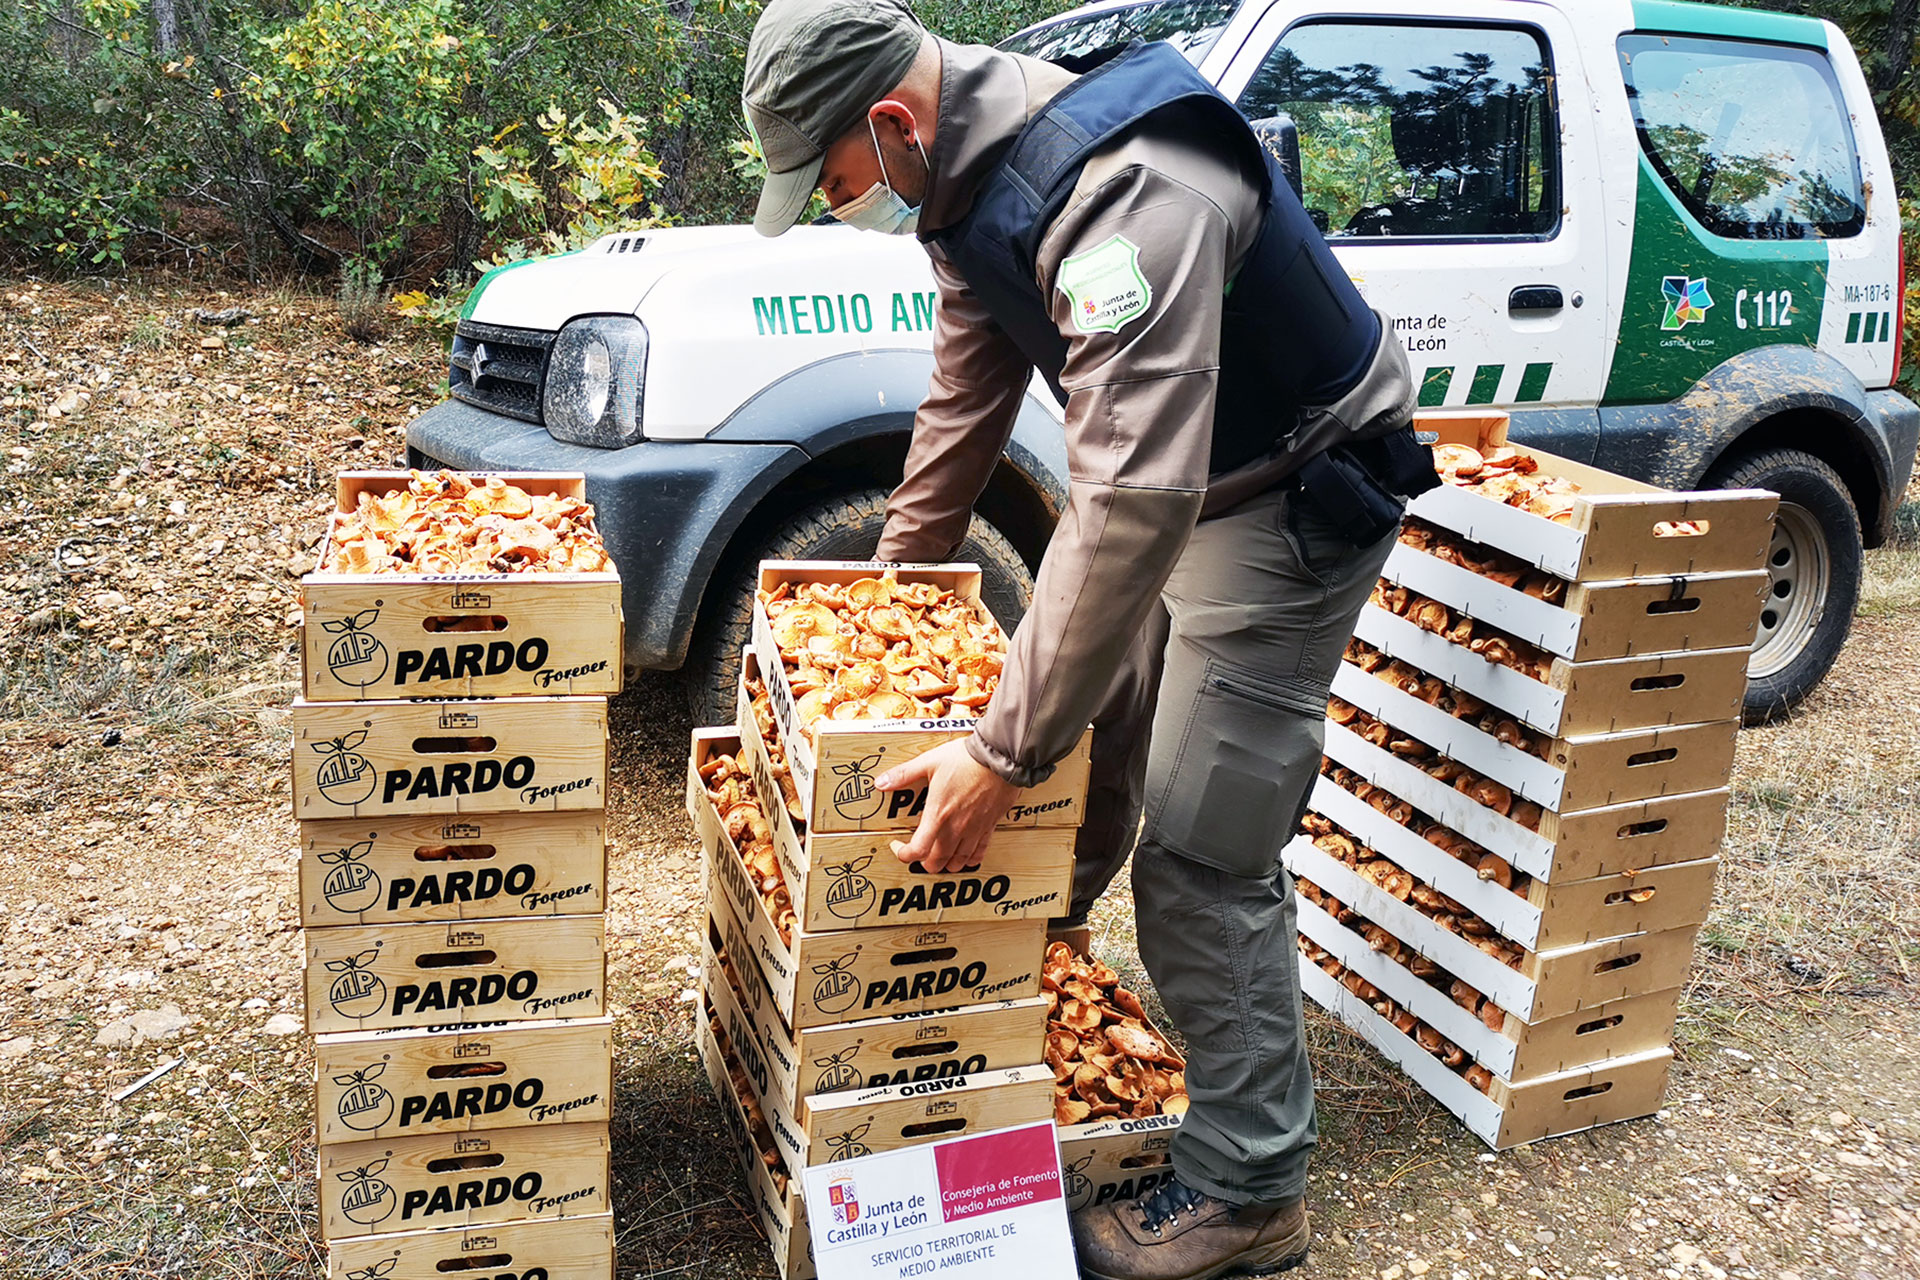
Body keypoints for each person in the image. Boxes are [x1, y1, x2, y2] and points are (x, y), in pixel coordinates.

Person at [743, 3, 1435, 1276]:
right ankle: (1025, 962)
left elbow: (1131, 501)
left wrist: (998, 752)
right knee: (1094, 728)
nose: (841, 205)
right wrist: (893, 592)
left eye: (836, 183)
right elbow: (967, 390)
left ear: (892, 124)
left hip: (1289, 494)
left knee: (1201, 845)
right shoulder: (961, 187)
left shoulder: (1129, 197)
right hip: (1182, 481)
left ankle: (1249, 1181)